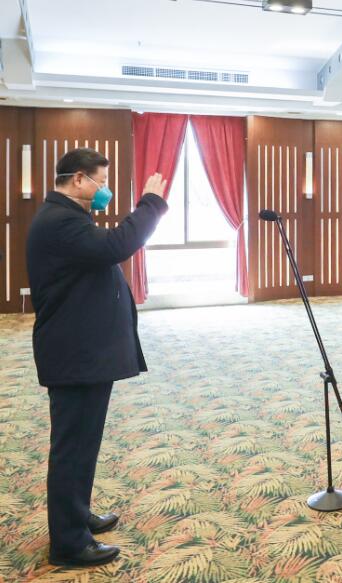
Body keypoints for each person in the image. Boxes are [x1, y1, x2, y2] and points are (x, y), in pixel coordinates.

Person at [26, 148, 168, 567]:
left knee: (83, 443)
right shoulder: (60, 221)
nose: (104, 190)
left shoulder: (68, 217)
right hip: (74, 354)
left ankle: (76, 515)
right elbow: (117, 246)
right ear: (77, 180)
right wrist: (150, 204)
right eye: (101, 182)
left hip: (82, 350)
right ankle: (69, 544)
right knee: (72, 447)